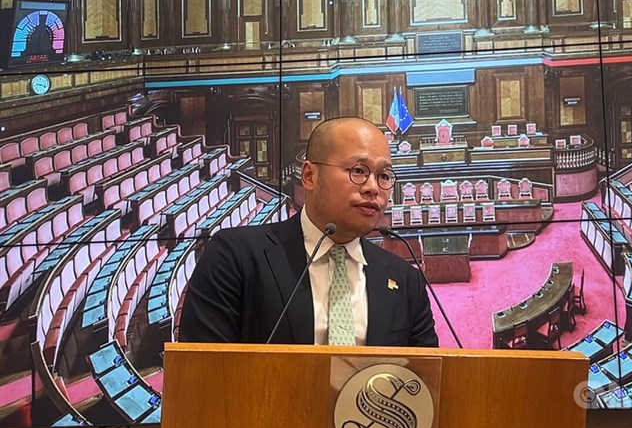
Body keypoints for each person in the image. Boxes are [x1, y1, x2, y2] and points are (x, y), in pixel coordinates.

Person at [178, 117, 439, 347]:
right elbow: (204, 374)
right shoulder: (236, 257)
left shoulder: (404, 280)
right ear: (309, 176)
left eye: (384, 176)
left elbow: (425, 382)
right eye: (358, 171)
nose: (373, 187)